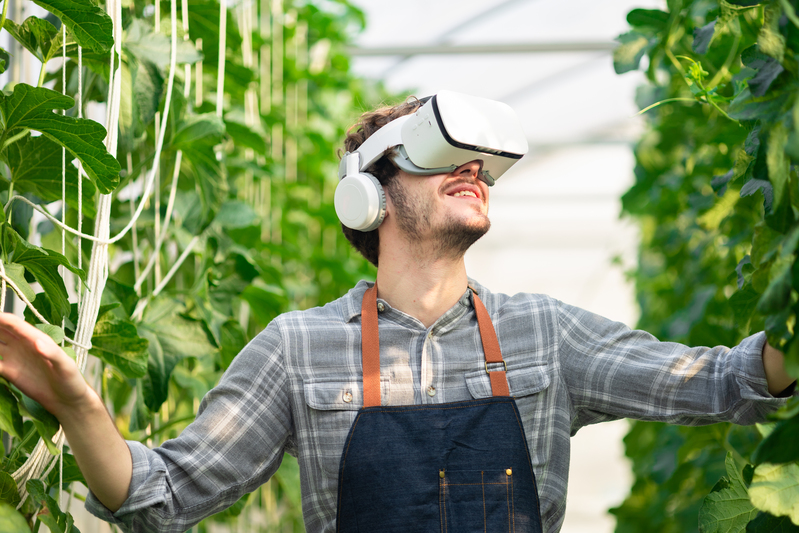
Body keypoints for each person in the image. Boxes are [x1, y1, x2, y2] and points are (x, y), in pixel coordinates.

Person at [0, 92, 795, 533]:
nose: (475, 171)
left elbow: (725, 379)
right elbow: (161, 493)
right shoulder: (298, 348)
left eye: (481, 165)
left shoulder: (544, 333)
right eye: (443, 157)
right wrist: (76, 402)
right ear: (368, 192)